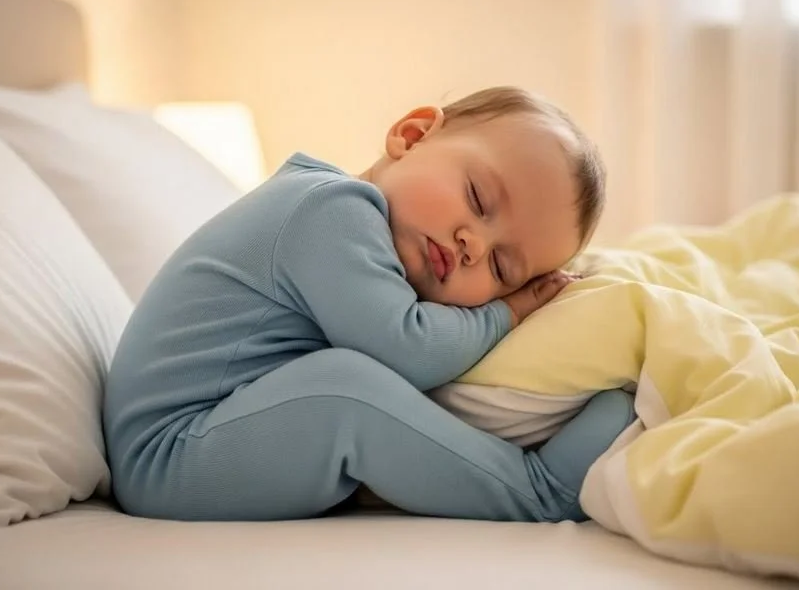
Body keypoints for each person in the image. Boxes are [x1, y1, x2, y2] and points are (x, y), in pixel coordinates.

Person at [102, 86, 637, 523]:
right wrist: (509, 310)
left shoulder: (361, 241)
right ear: (412, 135)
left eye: (501, 269)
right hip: (169, 456)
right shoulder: (329, 209)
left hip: (220, 436)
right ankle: (534, 491)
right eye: (477, 199)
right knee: (344, 386)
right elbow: (407, 349)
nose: (474, 244)